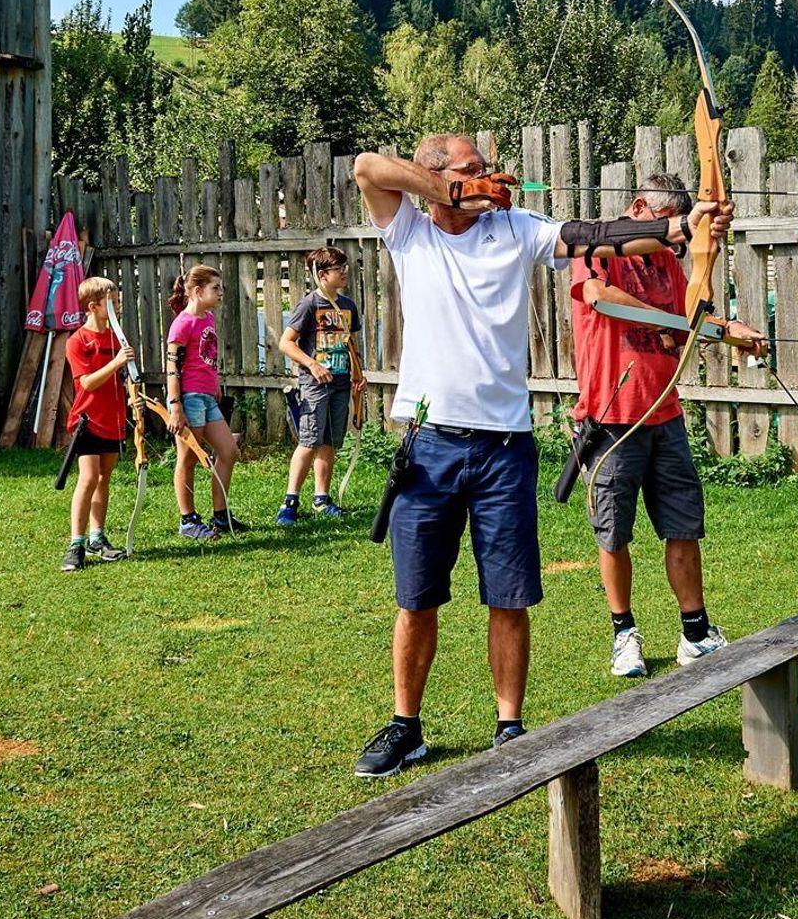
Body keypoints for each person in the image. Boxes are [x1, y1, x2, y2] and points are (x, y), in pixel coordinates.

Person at [350, 135, 726, 777]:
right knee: (416, 597)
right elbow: (367, 168)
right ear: (437, 177)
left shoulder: (515, 227)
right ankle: (406, 726)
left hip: (504, 447)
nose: (491, 177)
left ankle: (510, 727)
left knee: (509, 594)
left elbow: (597, 238)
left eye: (487, 168)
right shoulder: (411, 230)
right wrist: (454, 190)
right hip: (429, 443)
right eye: (474, 169)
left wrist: (679, 228)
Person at [568, 174, 766, 679]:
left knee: (683, 526)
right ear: (638, 208)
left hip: (665, 414)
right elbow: (600, 296)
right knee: (614, 533)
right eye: (667, 222)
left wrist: (729, 328)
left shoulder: (666, 262)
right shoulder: (595, 246)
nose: (674, 234)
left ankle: (695, 633)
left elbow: (691, 313)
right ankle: (624, 634)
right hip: (612, 418)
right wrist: (669, 322)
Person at [277, 246, 367, 525]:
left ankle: (321, 499)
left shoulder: (348, 306)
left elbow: (351, 345)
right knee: (309, 440)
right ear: (322, 274)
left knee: (330, 441)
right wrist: (313, 365)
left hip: (341, 384)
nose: (345, 273)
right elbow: (286, 343)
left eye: (345, 267)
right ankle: (290, 502)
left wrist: (358, 376)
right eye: (339, 269)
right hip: (315, 386)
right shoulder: (309, 305)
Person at [60, 276, 133, 571]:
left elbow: (125, 377)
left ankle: (96, 537)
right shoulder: (77, 341)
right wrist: (116, 362)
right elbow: (87, 383)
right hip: (88, 421)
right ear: (93, 306)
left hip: (113, 419)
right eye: (111, 302)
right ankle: (75, 544)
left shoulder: (117, 338)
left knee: (104, 478)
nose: (117, 306)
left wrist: (133, 397)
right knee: (88, 478)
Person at [165, 265, 241, 540]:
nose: (221, 293)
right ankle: (188, 520)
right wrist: (176, 406)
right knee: (188, 459)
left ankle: (220, 516)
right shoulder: (182, 324)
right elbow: (172, 368)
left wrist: (214, 383)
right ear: (198, 291)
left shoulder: (208, 318)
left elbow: (204, 357)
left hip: (207, 397)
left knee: (229, 451)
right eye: (215, 288)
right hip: (189, 399)